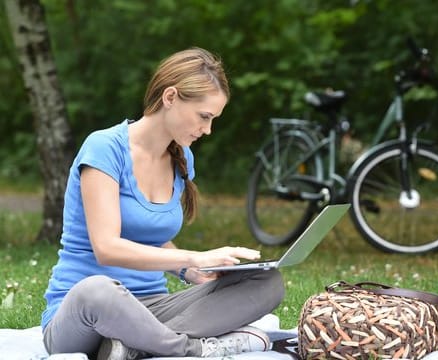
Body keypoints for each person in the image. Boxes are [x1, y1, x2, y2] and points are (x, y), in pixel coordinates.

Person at [41, 47, 285, 360]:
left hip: (154, 310)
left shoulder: (182, 157)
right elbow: (107, 248)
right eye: (204, 117)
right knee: (97, 290)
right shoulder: (104, 148)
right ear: (170, 97)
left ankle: (133, 345)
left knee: (267, 282)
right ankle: (192, 348)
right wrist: (196, 257)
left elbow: (152, 237)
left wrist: (191, 272)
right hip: (84, 316)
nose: (207, 130)